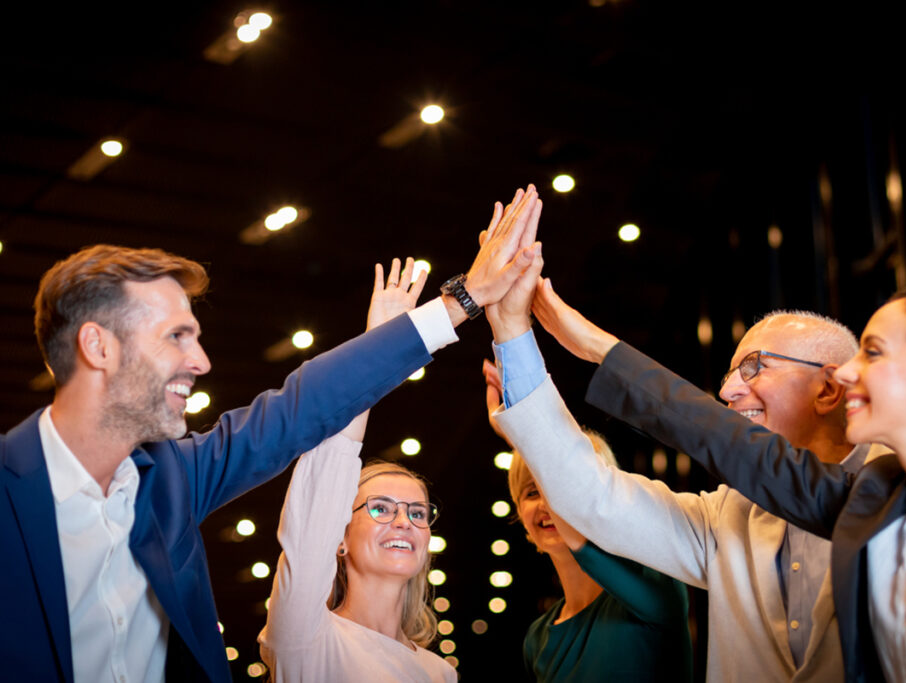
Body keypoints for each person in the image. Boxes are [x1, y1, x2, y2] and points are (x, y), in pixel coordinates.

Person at [0, 185, 542, 683]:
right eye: (175, 338)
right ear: (98, 348)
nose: (201, 361)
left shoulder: (173, 477)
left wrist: (462, 300)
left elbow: (303, 407)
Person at [522, 282, 906, 682]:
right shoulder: (868, 502)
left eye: (873, 353)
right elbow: (729, 445)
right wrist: (574, 346)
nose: (848, 373)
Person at [484, 273, 872, 680]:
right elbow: (591, 495)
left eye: (754, 367)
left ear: (828, 390)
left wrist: (598, 347)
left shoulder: (900, 491)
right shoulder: (724, 517)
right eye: (730, 374)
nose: (729, 391)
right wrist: (512, 333)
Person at [259, 258, 455, 681]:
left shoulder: (440, 673)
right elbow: (323, 487)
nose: (404, 522)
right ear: (340, 537)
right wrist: (380, 347)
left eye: (417, 513)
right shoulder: (306, 638)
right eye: (381, 508)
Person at [486, 363, 692, 682]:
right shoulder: (538, 638)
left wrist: (525, 434)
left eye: (563, 485)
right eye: (530, 492)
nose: (546, 504)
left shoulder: (655, 588)